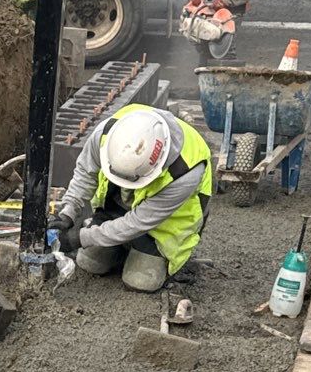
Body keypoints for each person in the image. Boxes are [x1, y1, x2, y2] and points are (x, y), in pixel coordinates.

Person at [52, 102, 213, 293]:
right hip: (119, 205)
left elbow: (138, 222)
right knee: (90, 261)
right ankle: (121, 247)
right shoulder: (107, 132)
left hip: (164, 226)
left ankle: (142, 252)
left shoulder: (185, 171)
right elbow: (86, 172)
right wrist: (68, 211)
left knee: (140, 281)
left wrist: (80, 238)